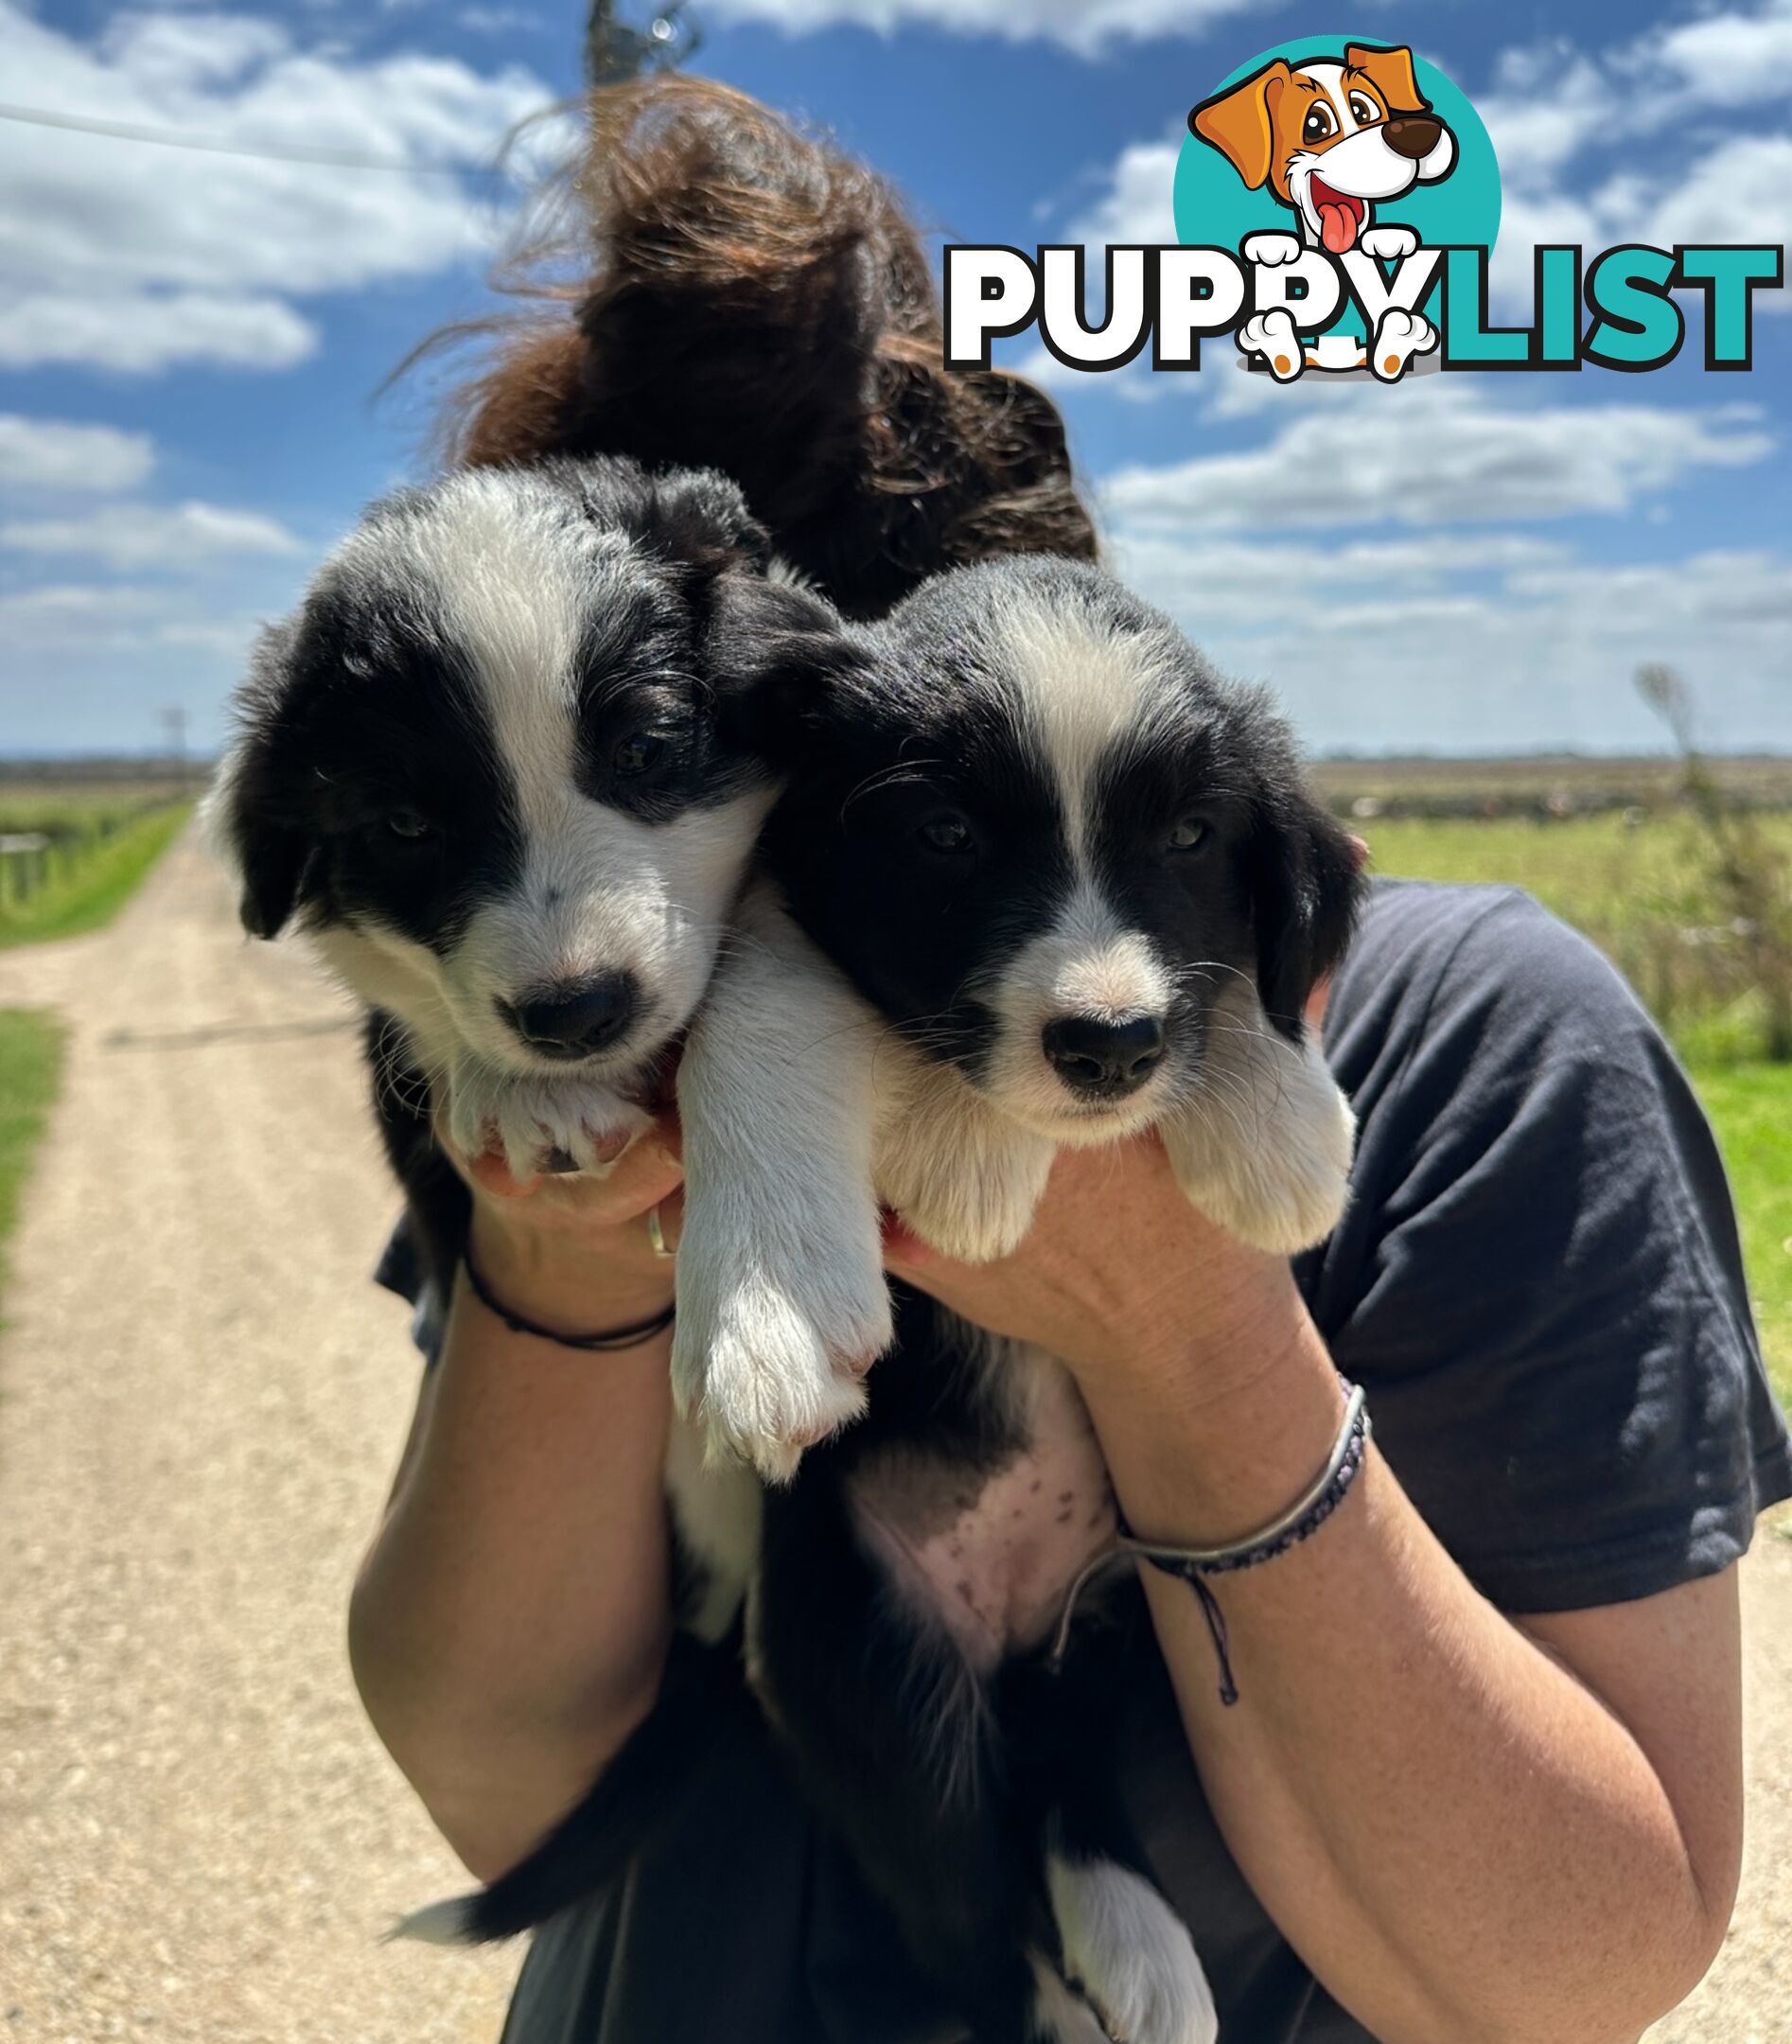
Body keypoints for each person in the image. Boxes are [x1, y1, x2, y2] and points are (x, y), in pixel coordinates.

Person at [349, 79, 1790, 2044]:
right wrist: (572, 1253)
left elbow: (1570, 1967)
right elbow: (514, 1780)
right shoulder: (554, 1052)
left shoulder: (1475, 1046)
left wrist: (1188, 1331)